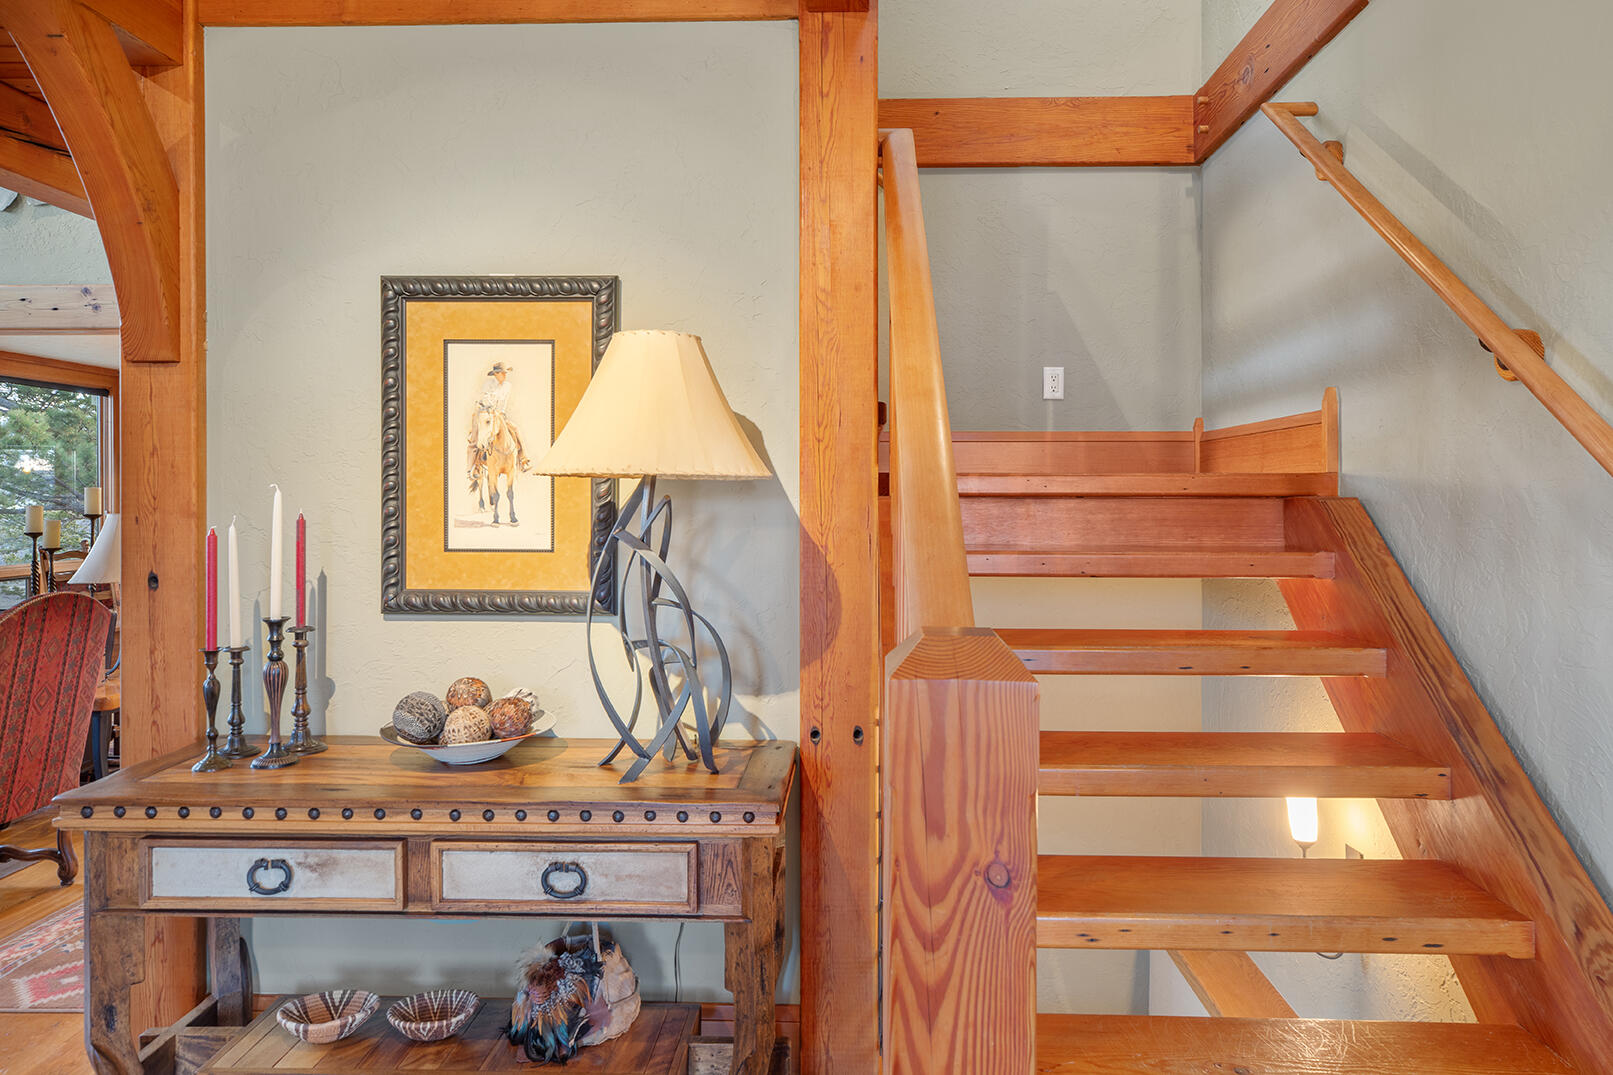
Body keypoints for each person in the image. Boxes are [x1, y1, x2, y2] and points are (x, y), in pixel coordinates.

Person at [466, 362, 531, 490]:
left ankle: (524, 459)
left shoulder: (507, 386)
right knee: (475, 439)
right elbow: (484, 400)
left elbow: (500, 401)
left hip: (499, 415)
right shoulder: (488, 384)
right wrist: (489, 402)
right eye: (502, 373)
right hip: (484, 413)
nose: (504, 375)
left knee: (516, 429)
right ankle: (473, 467)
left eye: (505, 373)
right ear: (495, 374)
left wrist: (495, 407)